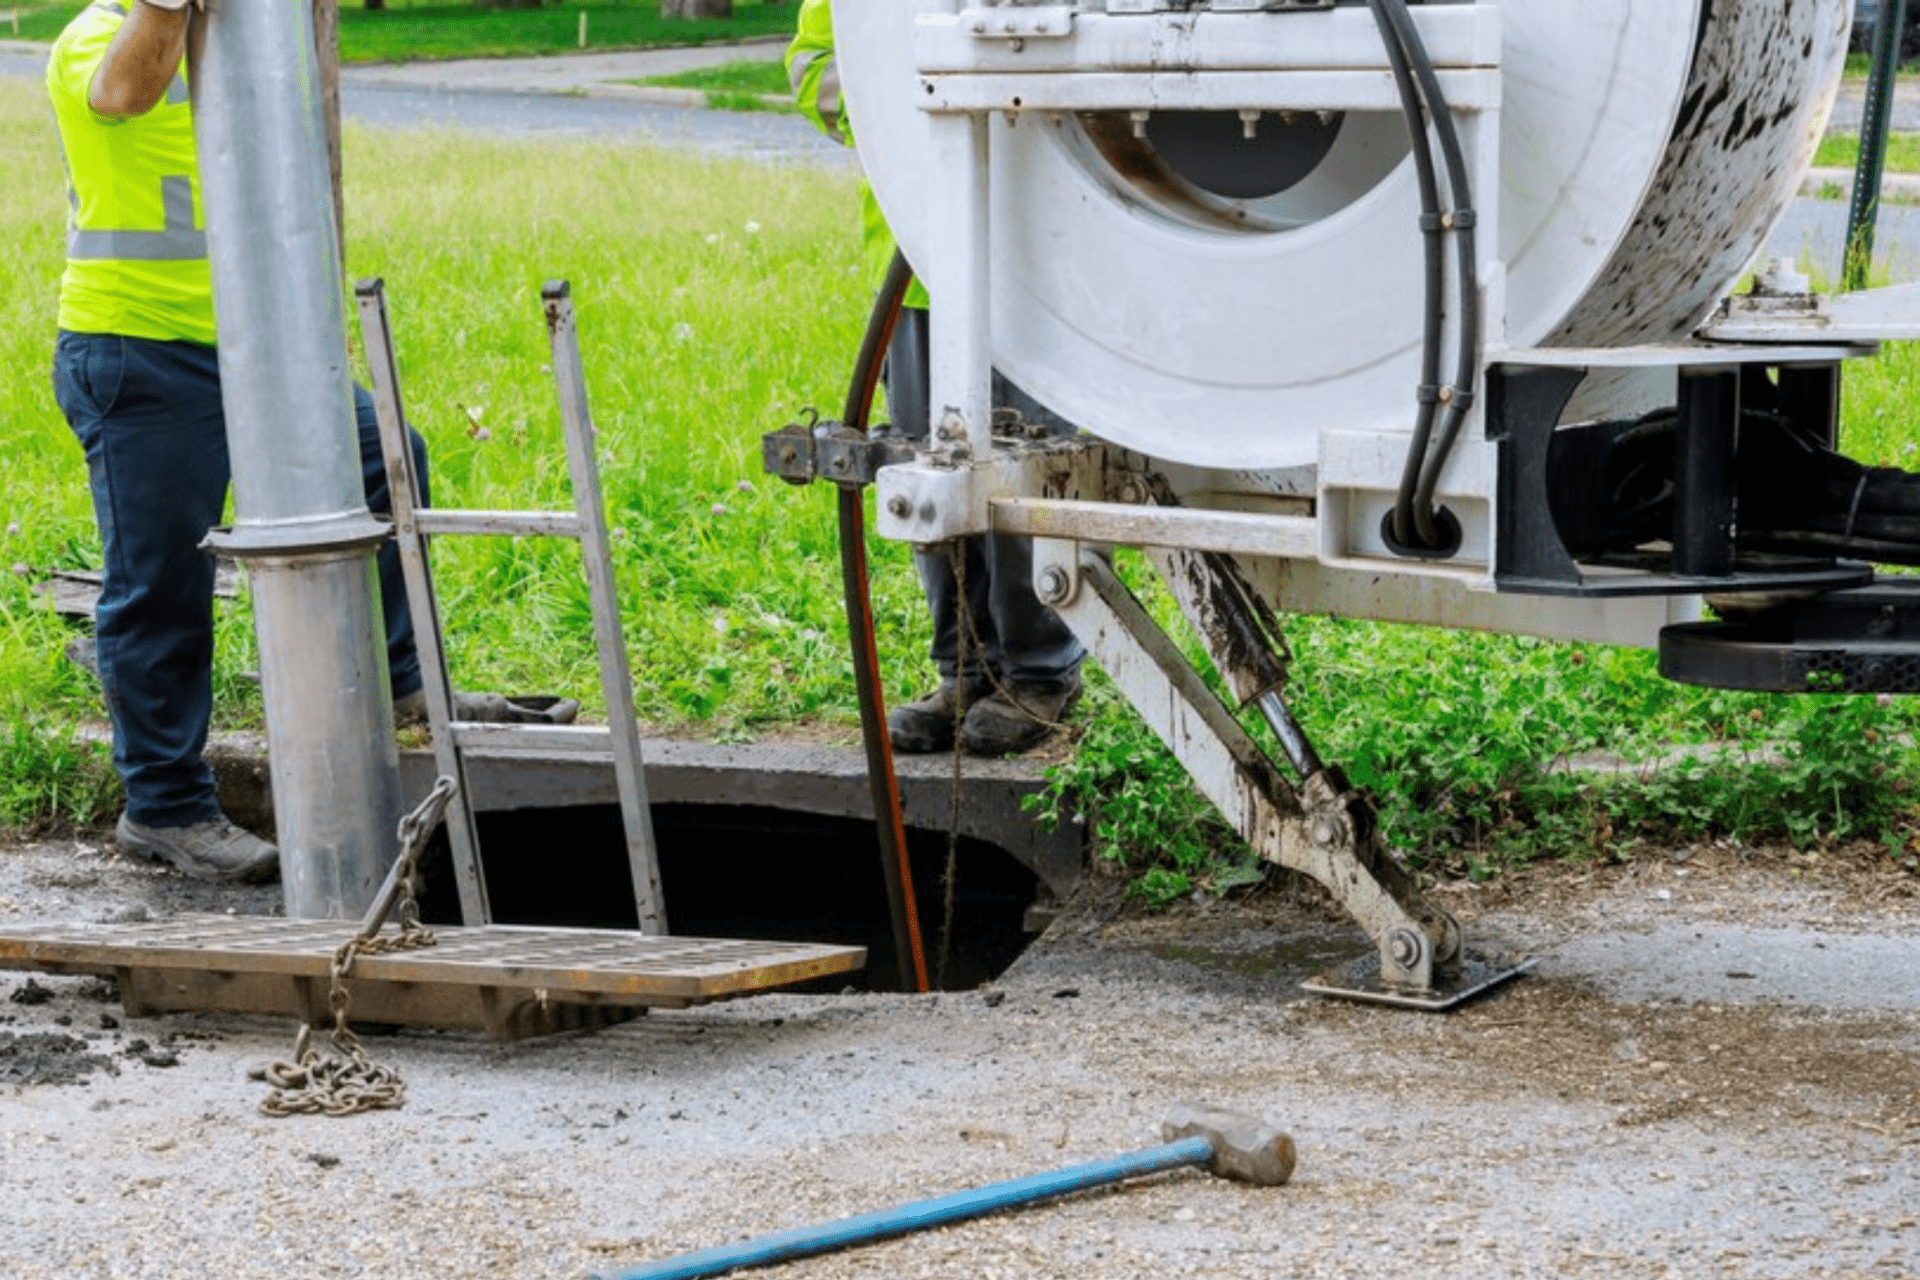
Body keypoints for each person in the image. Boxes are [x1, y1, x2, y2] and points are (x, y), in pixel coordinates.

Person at [46, 0, 567, 885]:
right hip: (143, 354)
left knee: (386, 462)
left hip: (261, 342)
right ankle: (164, 807)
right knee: (161, 579)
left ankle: (398, 676)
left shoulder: (249, 44)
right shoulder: (95, 37)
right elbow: (129, 92)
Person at [786, 0, 1085, 757]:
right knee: (934, 478)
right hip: (921, 262)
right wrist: (908, 104)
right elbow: (814, 65)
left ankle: (1042, 673)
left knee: (1031, 476)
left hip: (1046, 262)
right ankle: (965, 669)